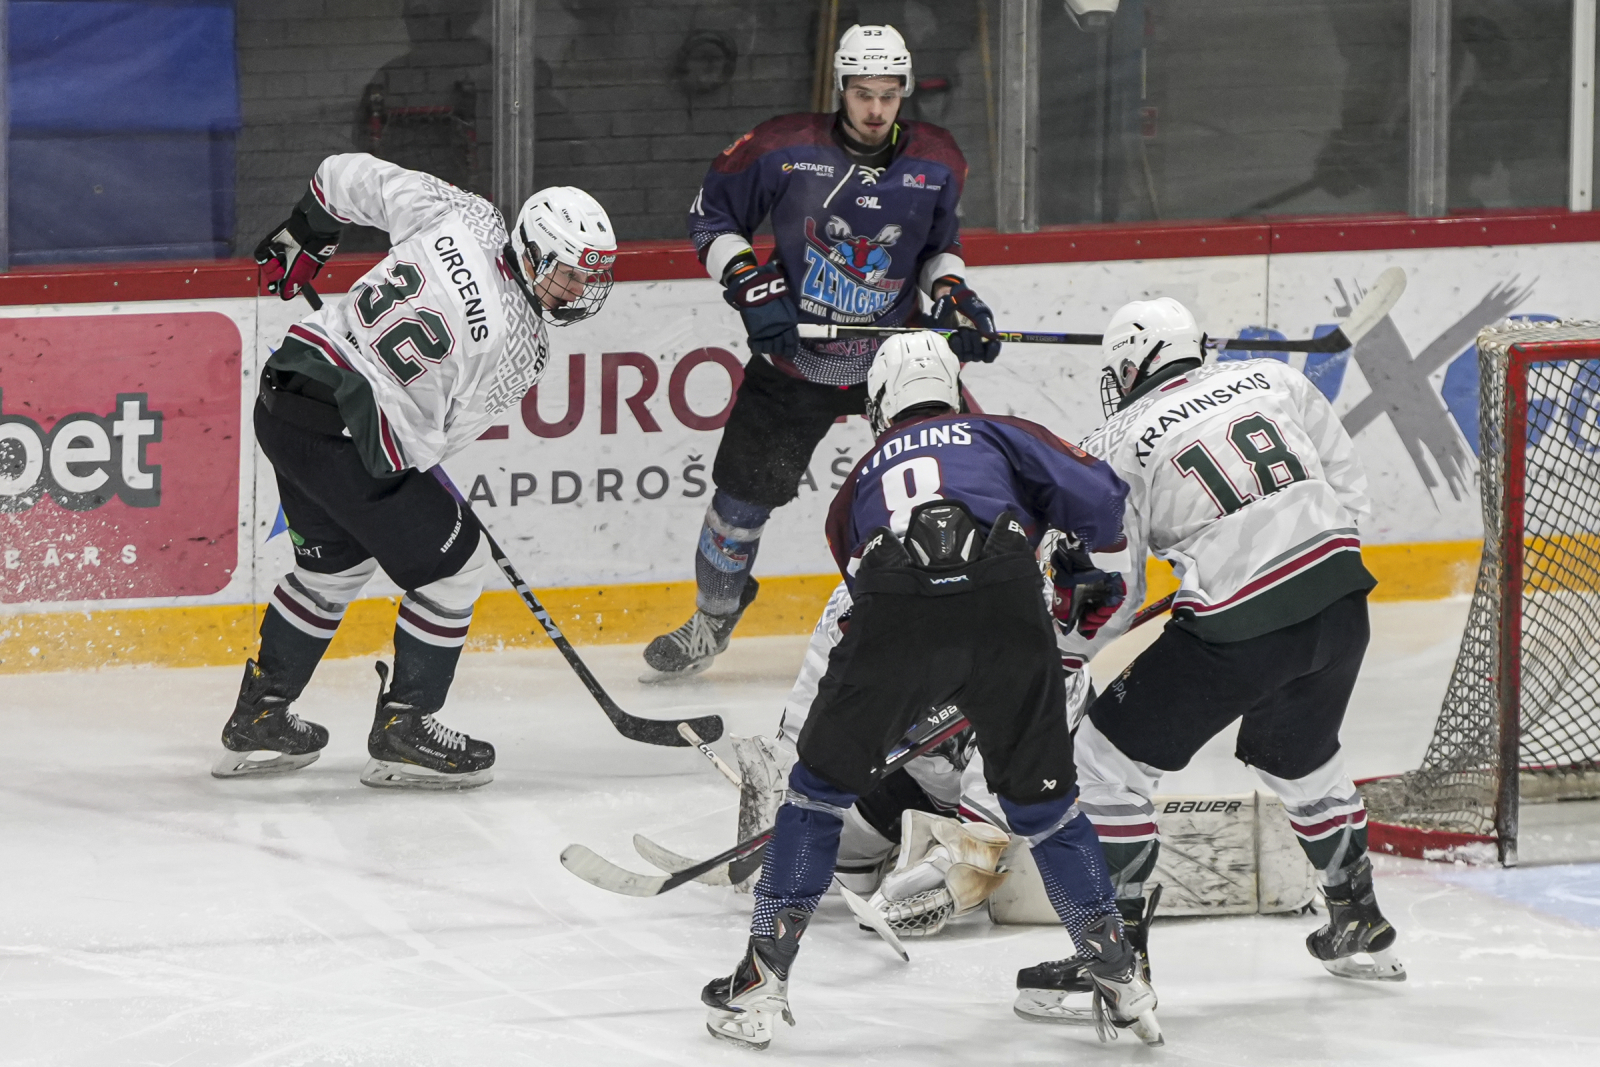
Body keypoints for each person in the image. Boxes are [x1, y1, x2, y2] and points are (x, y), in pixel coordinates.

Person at [701, 331, 1163, 1051]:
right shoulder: (1001, 433)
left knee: (815, 797)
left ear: (880, 406)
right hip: (1011, 611)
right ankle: (1120, 977)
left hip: (897, 613)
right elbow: (1104, 503)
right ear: (953, 391)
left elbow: (860, 590)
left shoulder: (859, 480)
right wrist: (1061, 546)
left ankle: (760, 982)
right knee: (1049, 812)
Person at [1016, 298, 1404, 1023]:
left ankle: (1117, 963)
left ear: (1128, 368)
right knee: (1299, 756)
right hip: (1342, 599)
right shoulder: (1273, 378)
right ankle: (1357, 915)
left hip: (1241, 626)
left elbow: (1115, 590)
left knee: (1102, 764)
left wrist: (1068, 661)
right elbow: (1348, 491)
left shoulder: (1115, 440)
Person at [212, 153, 616, 790]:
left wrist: (307, 231)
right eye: (568, 275)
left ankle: (259, 718)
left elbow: (342, 174)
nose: (578, 292)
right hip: (348, 434)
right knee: (458, 564)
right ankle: (406, 727)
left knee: (331, 569)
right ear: (534, 253)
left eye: (590, 279)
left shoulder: (468, 216)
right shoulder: (523, 347)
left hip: (286, 392)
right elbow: (437, 442)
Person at [643, 23, 1003, 681]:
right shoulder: (782, 148)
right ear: (841, 88)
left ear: (904, 91)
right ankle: (713, 618)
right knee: (738, 506)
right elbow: (711, 216)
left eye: (888, 95)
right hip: (797, 358)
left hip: (894, 359)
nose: (876, 109)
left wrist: (952, 294)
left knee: (962, 481)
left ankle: (976, 620)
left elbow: (938, 248)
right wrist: (750, 286)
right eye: (863, 94)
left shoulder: (937, 160)